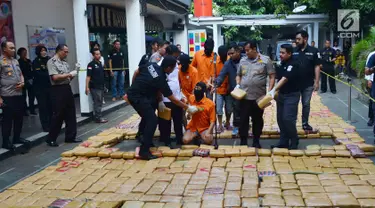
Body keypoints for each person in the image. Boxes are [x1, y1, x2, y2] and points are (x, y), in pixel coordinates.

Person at [127, 55, 198, 160]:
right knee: (152, 120)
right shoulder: (161, 79)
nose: (175, 69)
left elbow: (136, 72)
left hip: (139, 95)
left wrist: (132, 86)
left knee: (149, 119)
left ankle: (145, 143)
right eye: (174, 67)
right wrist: (188, 107)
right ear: (169, 68)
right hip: (138, 97)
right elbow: (173, 99)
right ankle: (144, 151)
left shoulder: (152, 65)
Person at [236, 40, 276, 147]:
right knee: (243, 120)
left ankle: (256, 140)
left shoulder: (265, 60)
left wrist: (270, 91)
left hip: (259, 97)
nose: (246, 53)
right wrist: (237, 84)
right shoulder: (243, 61)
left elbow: (272, 76)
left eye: (248, 50)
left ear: (254, 49)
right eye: (245, 51)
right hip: (244, 96)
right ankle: (243, 140)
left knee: (257, 120)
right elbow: (238, 74)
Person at [46, 44, 81, 147]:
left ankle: (70, 136)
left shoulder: (65, 63)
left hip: (66, 88)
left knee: (70, 112)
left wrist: (75, 72)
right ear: (59, 51)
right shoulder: (51, 62)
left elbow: (68, 79)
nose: (66, 54)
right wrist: (69, 74)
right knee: (58, 114)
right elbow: (55, 78)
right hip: (57, 90)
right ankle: (51, 138)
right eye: (65, 52)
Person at [271, 44, 302, 149]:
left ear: (289, 53)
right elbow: (277, 77)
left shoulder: (294, 64)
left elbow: (284, 79)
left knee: (288, 118)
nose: (280, 54)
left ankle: (294, 139)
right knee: (280, 118)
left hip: (292, 95)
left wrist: (273, 90)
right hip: (281, 95)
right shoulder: (281, 63)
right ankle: (283, 141)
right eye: (280, 52)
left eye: (283, 53)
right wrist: (274, 92)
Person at [0, 41, 26, 151]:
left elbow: (20, 74)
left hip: (18, 94)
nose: (14, 50)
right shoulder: (1, 62)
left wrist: (23, 82)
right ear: (4, 49)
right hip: (7, 95)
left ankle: (17, 138)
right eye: (11, 48)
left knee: (19, 118)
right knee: (7, 120)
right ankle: (6, 142)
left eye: (14, 48)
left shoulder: (15, 61)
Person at [293, 30, 321, 131]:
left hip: (308, 83)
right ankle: (292, 123)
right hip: (295, 84)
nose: (296, 41)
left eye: (299, 39)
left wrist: (317, 82)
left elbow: (317, 66)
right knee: (294, 103)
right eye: (296, 39)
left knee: (306, 104)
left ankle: (305, 123)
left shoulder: (314, 51)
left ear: (305, 39)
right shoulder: (294, 50)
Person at [158, 45, 184, 147]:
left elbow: (177, 79)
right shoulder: (161, 64)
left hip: (176, 97)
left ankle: (179, 139)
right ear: (171, 53)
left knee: (178, 120)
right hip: (166, 98)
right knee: (166, 122)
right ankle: (166, 141)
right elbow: (158, 84)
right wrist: (160, 100)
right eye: (176, 53)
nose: (178, 55)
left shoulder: (176, 64)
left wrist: (180, 93)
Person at [215, 44, 242, 136]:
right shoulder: (228, 63)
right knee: (234, 108)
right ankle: (235, 126)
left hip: (246, 89)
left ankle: (244, 126)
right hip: (234, 90)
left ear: (238, 52)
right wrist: (216, 84)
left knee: (244, 109)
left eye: (232, 53)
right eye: (229, 53)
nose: (230, 55)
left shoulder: (245, 61)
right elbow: (221, 75)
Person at [32, 45, 52, 132]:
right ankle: (45, 125)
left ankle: (52, 123)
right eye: (41, 51)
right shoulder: (36, 61)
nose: (43, 52)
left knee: (51, 106)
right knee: (43, 107)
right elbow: (39, 74)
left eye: (44, 50)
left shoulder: (49, 60)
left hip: (50, 87)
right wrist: (51, 76)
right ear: (38, 52)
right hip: (40, 88)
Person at [86, 48, 108, 124]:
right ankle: (98, 118)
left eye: (99, 54)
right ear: (93, 55)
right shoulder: (91, 65)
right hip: (94, 87)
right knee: (97, 102)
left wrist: (104, 86)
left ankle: (99, 116)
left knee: (100, 102)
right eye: (96, 54)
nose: (98, 55)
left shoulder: (100, 63)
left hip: (101, 86)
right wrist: (87, 87)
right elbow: (88, 76)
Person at [212, 45, 229, 132]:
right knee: (218, 108)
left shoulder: (230, 60)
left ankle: (228, 122)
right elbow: (214, 74)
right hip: (219, 89)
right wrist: (213, 85)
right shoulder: (216, 62)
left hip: (229, 89)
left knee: (229, 108)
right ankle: (220, 125)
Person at [17, 47, 36, 116]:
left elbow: (32, 69)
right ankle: (24, 111)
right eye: (23, 52)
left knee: (32, 96)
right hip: (23, 81)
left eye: (25, 52)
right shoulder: (18, 62)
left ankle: (32, 110)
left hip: (31, 80)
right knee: (23, 97)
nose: (25, 53)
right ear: (20, 54)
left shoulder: (28, 61)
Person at [365, 52, 375, 137]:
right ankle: (372, 118)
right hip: (373, 83)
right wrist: (369, 80)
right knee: (372, 103)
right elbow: (367, 70)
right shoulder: (373, 55)